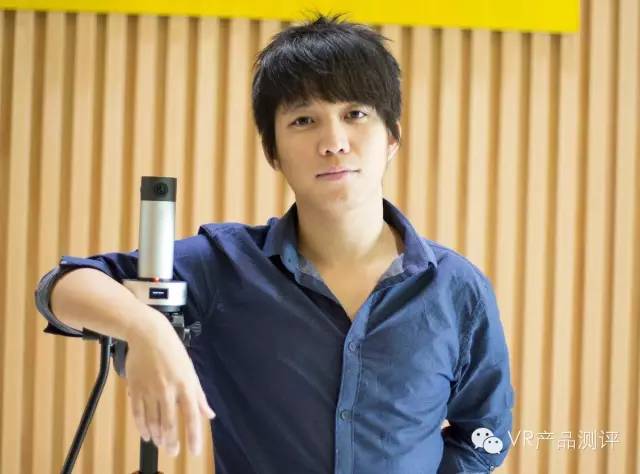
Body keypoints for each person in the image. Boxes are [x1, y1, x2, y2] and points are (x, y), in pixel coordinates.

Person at [35, 13, 514, 474]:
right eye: (304, 120)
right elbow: (61, 286)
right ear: (273, 152)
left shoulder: (457, 287)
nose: (334, 142)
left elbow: (485, 435)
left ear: (392, 137)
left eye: (355, 114)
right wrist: (146, 328)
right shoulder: (224, 267)